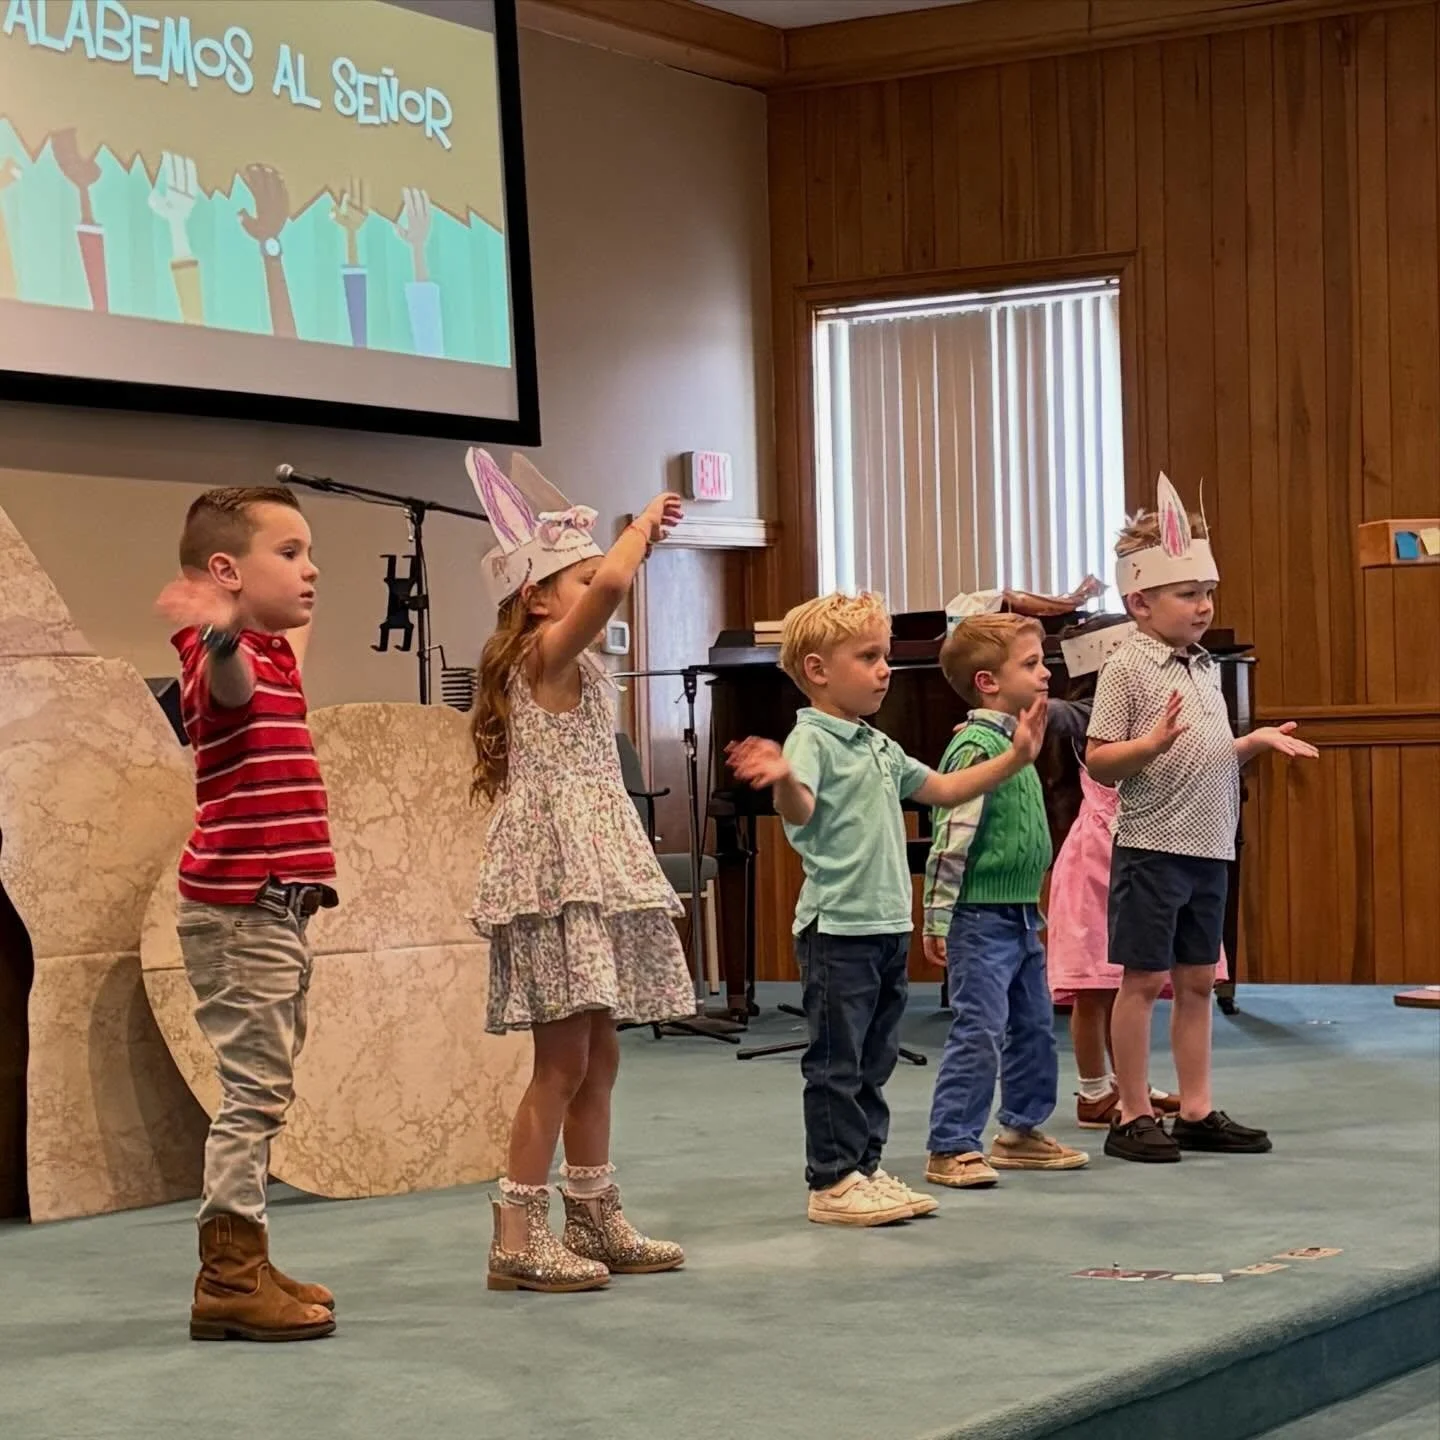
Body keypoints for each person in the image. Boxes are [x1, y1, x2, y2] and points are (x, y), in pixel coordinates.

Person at [726, 592, 1033, 1227]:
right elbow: (801, 809)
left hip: (887, 926)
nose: (884, 669)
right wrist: (782, 778)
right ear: (817, 670)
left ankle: (864, 1167)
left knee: (875, 1060)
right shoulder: (811, 739)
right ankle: (832, 1179)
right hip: (839, 929)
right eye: (867, 657)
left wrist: (1014, 759)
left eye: (883, 655)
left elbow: (942, 789)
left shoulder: (876, 743)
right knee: (836, 1063)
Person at [465, 448, 694, 1291]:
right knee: (559, 1064)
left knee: (600, 1056)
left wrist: (628, 547)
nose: (602, 588)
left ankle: (593, 1212)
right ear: (536, 596)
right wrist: (639, 529)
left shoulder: (581, 670)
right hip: (556, 877)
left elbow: (606, 586)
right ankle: (516, 1234)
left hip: (590, 868)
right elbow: (614, 585)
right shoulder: (542, 658)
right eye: (582, 579)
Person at [1087, 475, 1318, 1163]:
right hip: (1152, 848)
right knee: (1142, 981)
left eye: (1208, 591)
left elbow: (1208, 751)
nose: (1204, 605)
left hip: (1210, 848)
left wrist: (1253, 743)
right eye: (1188, 593)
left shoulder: (1205, 665)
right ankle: (1132, 1112)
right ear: (1140, 601)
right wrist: (1148, 746)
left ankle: (1195, 1108)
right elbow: (1100, 760)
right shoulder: (1127, 667)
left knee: (1196, 981)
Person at [154, 485, 337, 1343]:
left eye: (309, 552)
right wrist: (222, 631)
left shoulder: (275, 652)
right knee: (252, 1092)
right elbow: (226, 691)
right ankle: (228, 1278)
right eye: (290, 553)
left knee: (266, 1086)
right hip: (242, 907)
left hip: (276, 909)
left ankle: (248, 1256)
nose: (311, 569)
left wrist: (254, 617)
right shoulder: (215, 653)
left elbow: (279, 637)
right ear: (226, 572)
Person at [919, 613, 1091, 1190]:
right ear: (988, 682)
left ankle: (1019, 1130)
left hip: (1021, 915)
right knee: (981, 1029)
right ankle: (951, 1143)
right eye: (1032, 664)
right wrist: (937, 915)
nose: (1045, 674)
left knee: (1034, 1026)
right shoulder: (975, 747)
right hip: (979, 917)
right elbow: (950, 837)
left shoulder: (1017, 742)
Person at [1045, 613, 1225, 1128]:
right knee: (1096, 985)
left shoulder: (1156, 701)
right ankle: (1095, 1089)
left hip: (1154, 855)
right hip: (1101, 863)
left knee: (1135, 978)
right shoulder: (1090, 716)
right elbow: (1062, 720)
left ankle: (1133, 1086)